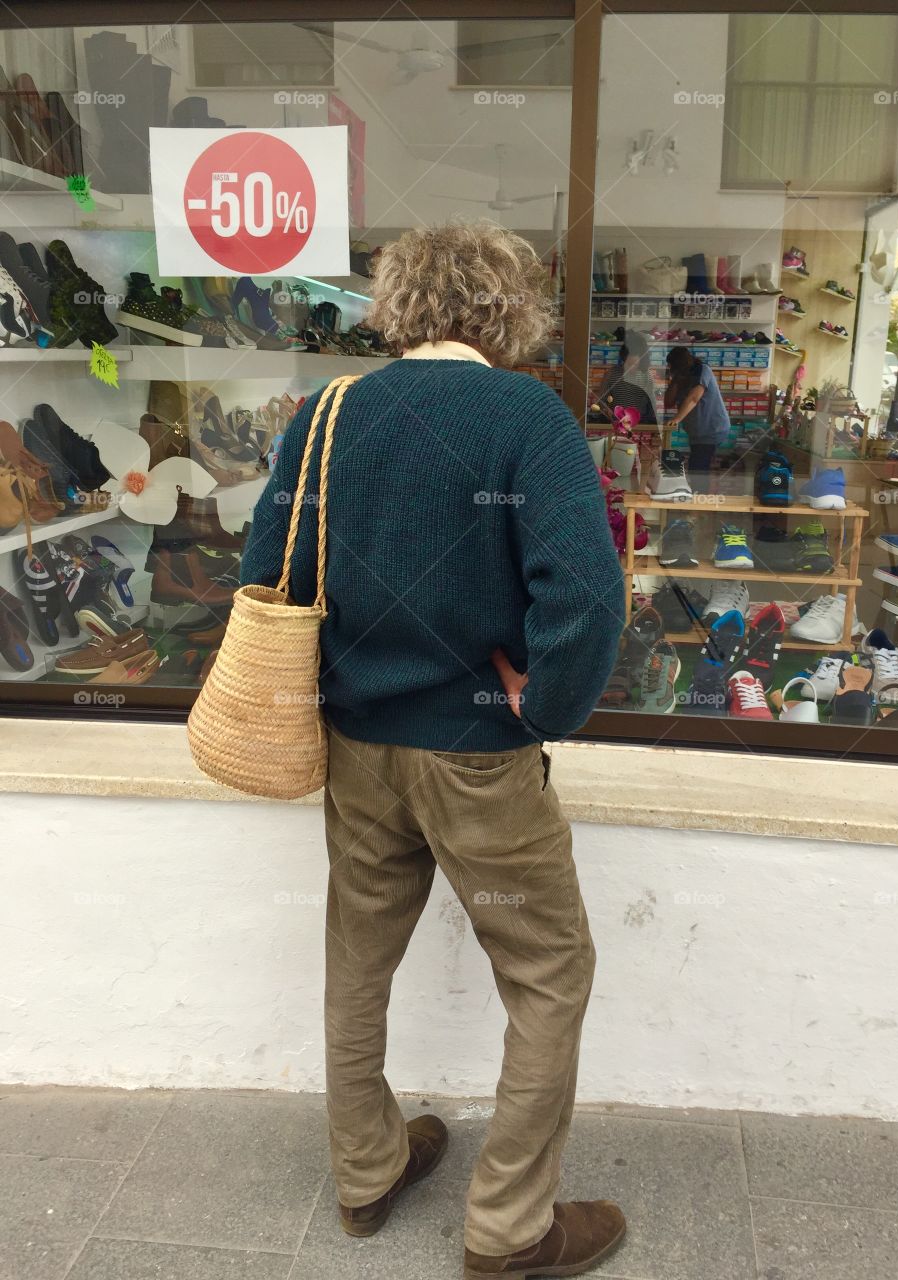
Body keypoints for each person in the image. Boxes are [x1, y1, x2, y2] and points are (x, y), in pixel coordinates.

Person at [240, 221, 626, 1279]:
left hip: (359, 748)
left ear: (397, 304)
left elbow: (268, 567)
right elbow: (588, 596)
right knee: (548, 970)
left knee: (357, 961)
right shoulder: (526, 417)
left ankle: (366, 1170)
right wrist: (546, 704)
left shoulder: (327, 414)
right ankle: (509, 1226)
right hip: (479, 756)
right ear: (508, 307)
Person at [664, 345, 730, 492]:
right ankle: (698, 499)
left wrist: (676, 419)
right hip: (697, 432)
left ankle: (699, 501)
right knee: (697, 468)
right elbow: (668, 402)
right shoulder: (680, 377)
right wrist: (675, 381)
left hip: (712, 428)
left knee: (698, 468)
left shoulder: (702, 370)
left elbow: (694, 398)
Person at [594, 329, 659, 426]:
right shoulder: (612, 374)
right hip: (616, 423)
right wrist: (606, 410)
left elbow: (653, 406)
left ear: (642, 361)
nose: (629, 368)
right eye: (627, 363)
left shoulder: (646, 376)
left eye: (634, 364)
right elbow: (600, 401)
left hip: (639, 425)